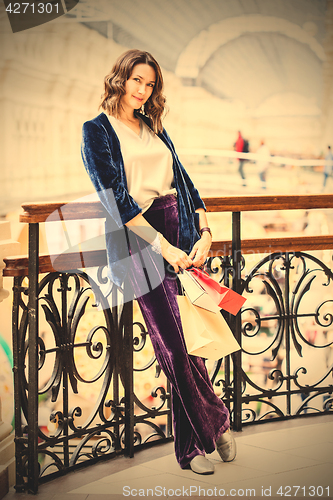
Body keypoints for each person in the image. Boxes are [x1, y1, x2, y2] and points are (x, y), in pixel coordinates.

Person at [81, 49, 235, 475]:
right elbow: (114, 198)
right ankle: (213, 423)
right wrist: (162, 248)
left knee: (190, 343)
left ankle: (195, 444)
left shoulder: (153, 126)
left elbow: (183, 182)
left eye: (149, 84)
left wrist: (204, 232)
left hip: (180, 232)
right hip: (138, 240)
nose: (143, 90)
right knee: (173, 345)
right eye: (136, 80)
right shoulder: (97, 130)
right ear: (120, 78)